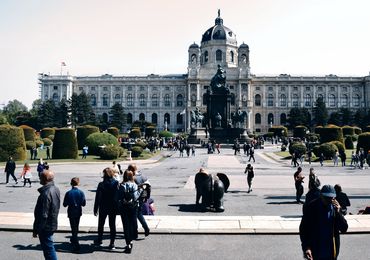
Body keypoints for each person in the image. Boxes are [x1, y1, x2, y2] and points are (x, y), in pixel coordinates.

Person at [300, 184, 348, 260]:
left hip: (331, 253)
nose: (329, 200)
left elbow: (344, 228)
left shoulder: (335, 209)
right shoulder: (311, 207)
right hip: (316, 252)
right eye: (326, 198)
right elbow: (303, 229)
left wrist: (338, 213)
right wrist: (306, 247)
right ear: (321, 196)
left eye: (331, 198)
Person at [33, 170, 60, 260]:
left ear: (45, 179)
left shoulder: (46, 193)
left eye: (41, 177)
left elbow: (43, 215)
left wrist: (37, 229)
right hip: (51, 223)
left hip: (45, 226)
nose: (39, 178)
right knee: (49, 248)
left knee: (48, 250)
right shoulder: (55, 189)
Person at [116, 170, 143, 253]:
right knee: (132, 223)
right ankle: (132, 238)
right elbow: (135, 197)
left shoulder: (121, 185)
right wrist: (140, 191)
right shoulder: (134, 185)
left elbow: (118, 197)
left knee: (125, 225)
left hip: (123, 207)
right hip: (133, 207)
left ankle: (128, 242)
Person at [93, 167, 118, 249]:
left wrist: (95, 208)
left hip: (103, 206)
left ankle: (100, 239)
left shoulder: (101, 184)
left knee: (101, 224)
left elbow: (98, 198)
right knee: (112, 225)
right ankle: (112, 243)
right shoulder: (116, 183)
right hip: (113, 206)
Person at [63, 177, 86, 251]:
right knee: (76, 226)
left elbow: (64, 204)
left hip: (71, 211)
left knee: (73, 227)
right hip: (78, 211)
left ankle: (75, 242)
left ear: (71, 183)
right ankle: (74, 238)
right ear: (78, 183)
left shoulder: (68, 193)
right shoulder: (81, 192)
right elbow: (83, 204)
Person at [128, 164, 150, 237]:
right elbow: (148, 187)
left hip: (135, 198)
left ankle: (135, 232)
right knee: (138, 213)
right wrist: (147, 197)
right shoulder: (143, 176)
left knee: (134, 215)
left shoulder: (132, 178)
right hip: (142, 197)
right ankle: (145, 228)